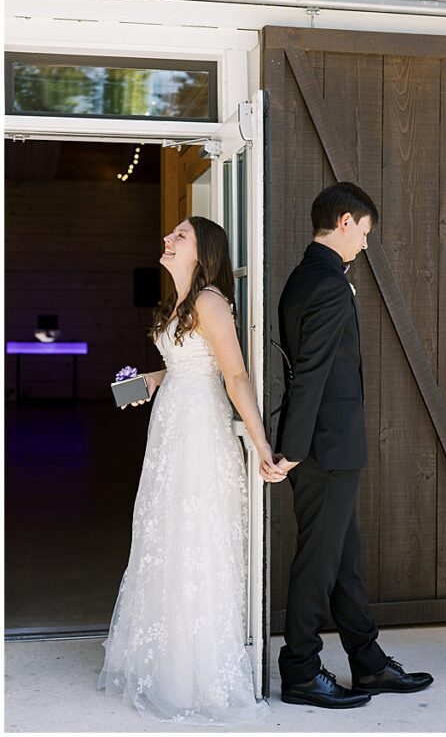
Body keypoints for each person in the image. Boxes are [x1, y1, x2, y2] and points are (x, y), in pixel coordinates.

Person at [99, 216, 284, 724]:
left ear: (202, 253)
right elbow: (185, 363)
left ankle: (194, 672)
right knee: (164, 537)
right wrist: (149, 380)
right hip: (169, 430)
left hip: (200, 433)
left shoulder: (209, 302)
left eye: (180, 236)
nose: (168, 239)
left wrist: (261, 442)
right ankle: (164, 661)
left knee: (194, 538)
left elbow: (235, 373)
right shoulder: (177, 305)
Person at [274, 182, 433, 709]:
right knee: (318, 566)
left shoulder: (305, 277)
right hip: (323, 449)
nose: (365, 244)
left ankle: (367, 663)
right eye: (364, 232)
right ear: (345, 222)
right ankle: (299, 670)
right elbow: (310, 374)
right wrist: (293, 449)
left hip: (325, 447)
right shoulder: (327, 284)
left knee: (345, 562)